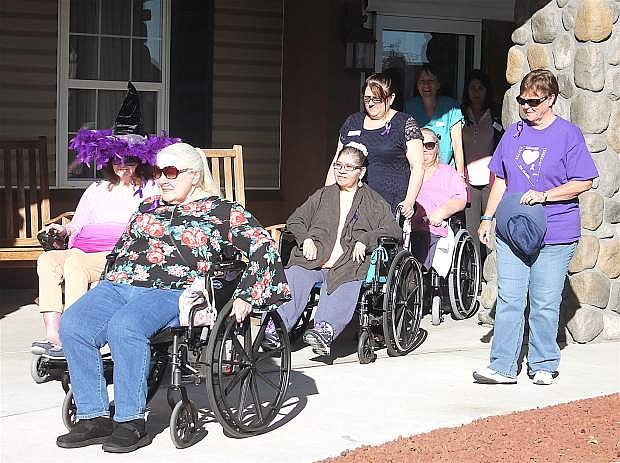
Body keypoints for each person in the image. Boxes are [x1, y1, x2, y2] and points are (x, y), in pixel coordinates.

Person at [56, 142, 290, 453]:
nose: (162, 179)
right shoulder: (148, 206)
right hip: (120, 283)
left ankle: (130, 421)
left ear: (194, 176)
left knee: (125, 326)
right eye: (158, 172)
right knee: (74, 324)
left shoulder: (222, 211)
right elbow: (123, 249)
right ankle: (93, 416)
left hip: (174, 289)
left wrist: (246, 294)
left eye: (170, 172)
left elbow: (264, 248)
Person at [473, 69, 598, 386]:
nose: (526, 107)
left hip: (555, 233)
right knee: (510, 299)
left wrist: (545, 196)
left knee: (543, 302)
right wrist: (488, 218)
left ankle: (543, 363)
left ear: (551, 99)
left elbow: (583, 180)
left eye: (533, 101)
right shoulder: (513, 133)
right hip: (513, 231)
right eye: (522, 101)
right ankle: (502, 366)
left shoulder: (568, 134)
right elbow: (501, 178)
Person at [32, 82, 168, 358]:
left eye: (129, 159)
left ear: (140, 160)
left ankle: (77, 335)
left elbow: (156, 225)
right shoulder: (97, 188)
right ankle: (53, 335)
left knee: (75, 264)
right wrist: (61, 228)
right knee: (47, 260)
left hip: (120, 254)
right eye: (116, 159)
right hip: (84, 247)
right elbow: (76, 225)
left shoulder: (153, 188)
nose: (122, 165)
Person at [275, 146, 401, 356]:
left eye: (349, 167)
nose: (341, 171)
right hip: (314, 259)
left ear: (361, 172)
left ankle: (324, 331)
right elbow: (295, 220)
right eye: (338, 166)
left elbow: (393, 230)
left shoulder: (373, 200)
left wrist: (366, 239)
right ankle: (277, 328)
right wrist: (305, 238)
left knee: (344, 278)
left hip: (349, 262)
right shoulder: (322, 195)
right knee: (295, 273)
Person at [327, 73, 424, 217]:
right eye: (367, 99)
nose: (370, 103)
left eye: (376, 99)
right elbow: (336, 161)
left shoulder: (404, 123)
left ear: (390, 98)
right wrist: (326, 198)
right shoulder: (353, 121)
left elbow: (418, 166)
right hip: (353, 204)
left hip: (389, 206)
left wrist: (409, 201)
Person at [409, 128, 467, 270]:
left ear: (437, 148)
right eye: (420, 144)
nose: (424, 149)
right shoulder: (405, 172)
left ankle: (415, 281)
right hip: (405, 225)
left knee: (421, 237)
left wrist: (440, 212)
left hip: (429, 227)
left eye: (429, 145)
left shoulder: (447, 172)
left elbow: (460, 198)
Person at [461, 70, 504, 261]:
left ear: (487, 90)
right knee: (471, 231)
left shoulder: (495, 115)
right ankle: (475, 276)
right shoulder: (461, 114)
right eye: (472, 88)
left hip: (491, 180)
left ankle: (489, 275)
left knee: (489, 229)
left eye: (480, 88)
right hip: (469, 180)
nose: (476, 92)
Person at [404, 64, 465, 176]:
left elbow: (457, 144)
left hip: (446, 172)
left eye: (431, 81)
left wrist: (460, 175)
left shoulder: (451, 107)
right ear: (417, 85)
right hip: (419, 173)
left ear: (438, 84)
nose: (426, 85)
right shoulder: (410, 107)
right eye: (422, 81)